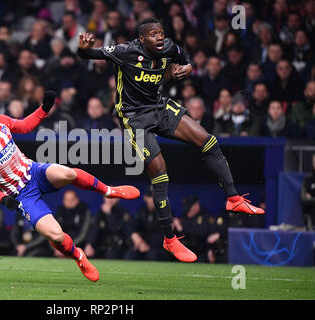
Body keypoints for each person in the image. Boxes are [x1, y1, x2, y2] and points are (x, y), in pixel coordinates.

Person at [77, 17, 264, 263]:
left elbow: (184, 58)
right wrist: (83, 47)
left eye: (161, 32)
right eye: (153, 34)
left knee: (209, 141)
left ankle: (233, 198)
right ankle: (170, 240)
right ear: (142, 38)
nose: (159, 37)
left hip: (159, 107)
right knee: (160, 174)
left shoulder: (168, 48)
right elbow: (89, 55)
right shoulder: (125, 51)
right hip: (134, 117)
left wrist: (187, 68)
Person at [0, 88, 140, 282]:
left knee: (68, 172)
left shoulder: (0, 121)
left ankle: (108, 191)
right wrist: (3, 199)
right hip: (22, 196)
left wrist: (44, 108)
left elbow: (25, 126)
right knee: (57, 236)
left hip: (33, 172)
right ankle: (78, 256)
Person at [124, 187, 166, 261]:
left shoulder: (165, 212)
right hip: (141, 246)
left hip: (158, 247)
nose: (153, 200)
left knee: (153, 255)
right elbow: (130, 226)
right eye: (150, 197)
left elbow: (163, 235)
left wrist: (146, 244)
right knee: (130, 255)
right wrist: (134, 235)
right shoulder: (142, 211)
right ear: (145, 198)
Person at [53, 190, 91, 257]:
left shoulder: (83, 210)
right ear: (63, 201)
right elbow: (52, 231)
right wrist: (57, 247)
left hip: (78, 246)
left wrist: (69, 247)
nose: (69, 202)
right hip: (61, 247)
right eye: (67, 200)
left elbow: (84, 233)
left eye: (72, 199)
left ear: (77, 200)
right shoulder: (60, 212)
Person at [301, 153, 315, 230]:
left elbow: (308, 200)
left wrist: (311, 198)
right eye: (314, 161)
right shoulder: (308, 180)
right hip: (310, 218)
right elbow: (304, 199)